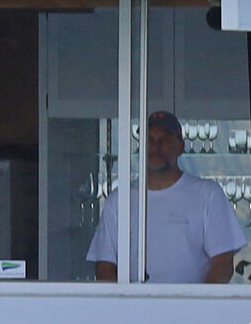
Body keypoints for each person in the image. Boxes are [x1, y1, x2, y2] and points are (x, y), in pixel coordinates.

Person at [87, 110, 243, 283]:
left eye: (165, 139)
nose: (156, 146)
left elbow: (223, 264)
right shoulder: (119, 200)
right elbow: (105, 266)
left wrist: (199, 307)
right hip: (136, 308)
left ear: (181, 147)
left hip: (191, 308)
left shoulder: (208, 195)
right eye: (150, 140)